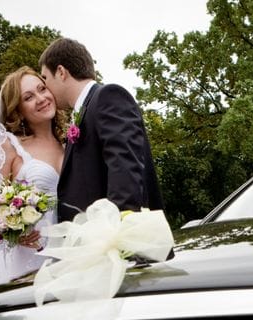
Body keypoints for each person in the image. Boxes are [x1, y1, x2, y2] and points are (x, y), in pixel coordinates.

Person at [0, 66, 65, 290]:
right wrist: (15, 232)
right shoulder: (10, 146)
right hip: (28, 258)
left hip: (67, 255)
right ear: (18, 110)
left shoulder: (70, 144)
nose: (41, 98)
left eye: (42, 89)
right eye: (28, 97)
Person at [39, 37, 163, 222]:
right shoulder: (84, 111)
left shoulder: (108, 96)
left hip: (116, 241)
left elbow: (125, 168)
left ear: (61, 72)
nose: (45, 88)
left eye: (45, 78)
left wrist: (115, 234)